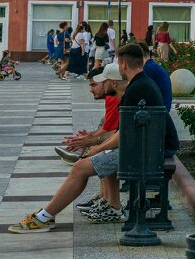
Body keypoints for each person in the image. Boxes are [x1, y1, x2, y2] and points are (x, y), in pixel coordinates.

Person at [9, 64, 129, 231]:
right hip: (140, 148)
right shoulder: (128, 95)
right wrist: (93, 142)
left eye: (99, 83)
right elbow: (119, 132)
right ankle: (111, 205)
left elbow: (122, 134)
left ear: (113, 83)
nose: (91, 89)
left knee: (81, 167)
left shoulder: (127, 97)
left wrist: (95, 144)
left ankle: (45, 217)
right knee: (97, 154)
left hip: (140, 151)